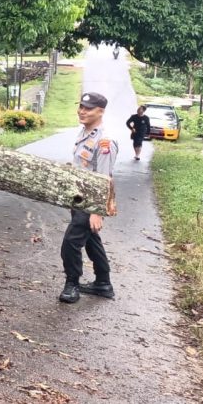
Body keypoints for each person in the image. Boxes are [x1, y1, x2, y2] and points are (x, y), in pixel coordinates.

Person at [59, 92, 119, 304]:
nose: (82, 111)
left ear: (100, 111)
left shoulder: (104, 141)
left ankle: (72, 284)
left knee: (70, 243)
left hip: (90, 202)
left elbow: (104, 179)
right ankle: (103, 282)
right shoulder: (85, 132)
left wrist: (97, 211)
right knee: (92, 241)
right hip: (79, 199)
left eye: (88, 108)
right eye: (81, 107)